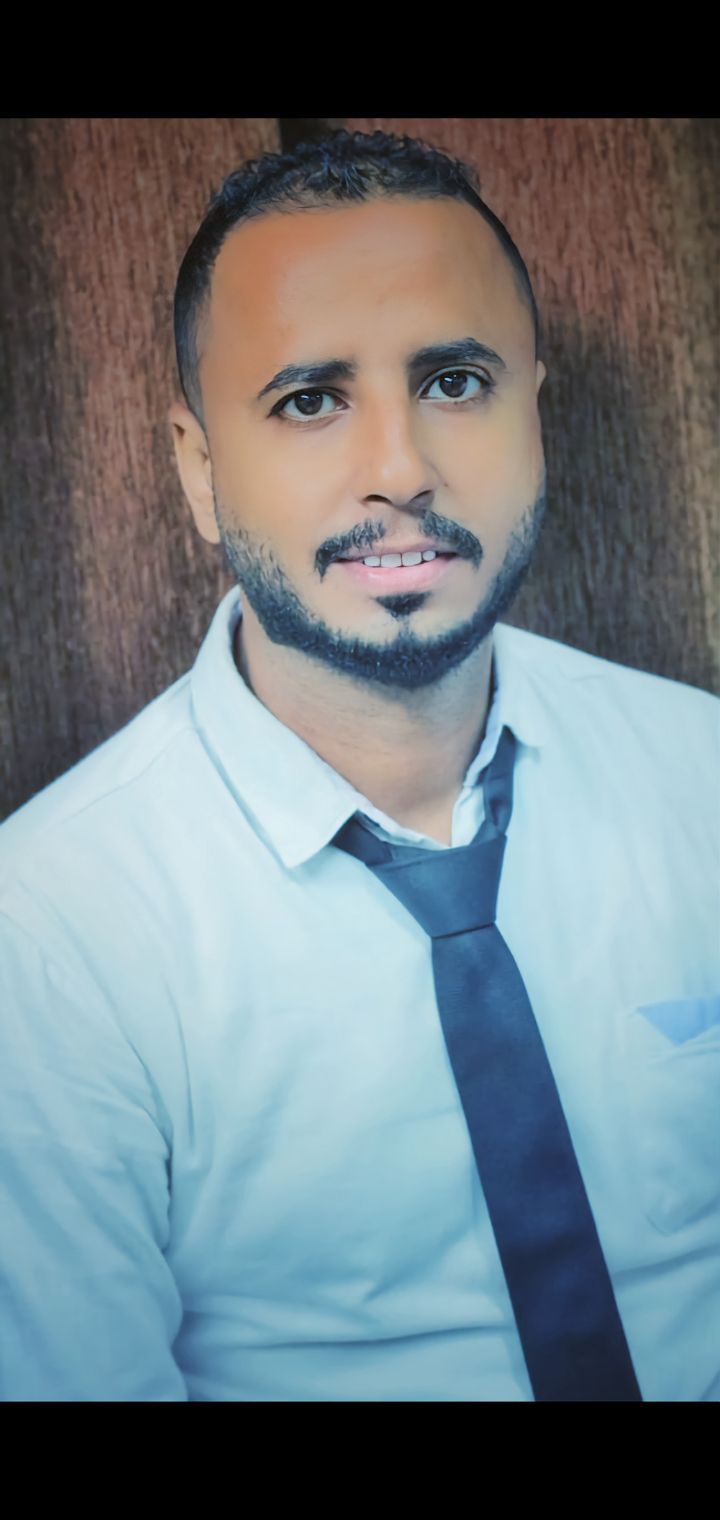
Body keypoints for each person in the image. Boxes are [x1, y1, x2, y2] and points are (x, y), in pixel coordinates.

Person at [1, 128, 718, 1404]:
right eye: (309, 400)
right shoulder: (44, 932)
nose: (400, 470)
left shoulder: (700, 772)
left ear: (534, 413)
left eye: (456, 381)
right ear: (198, 469)